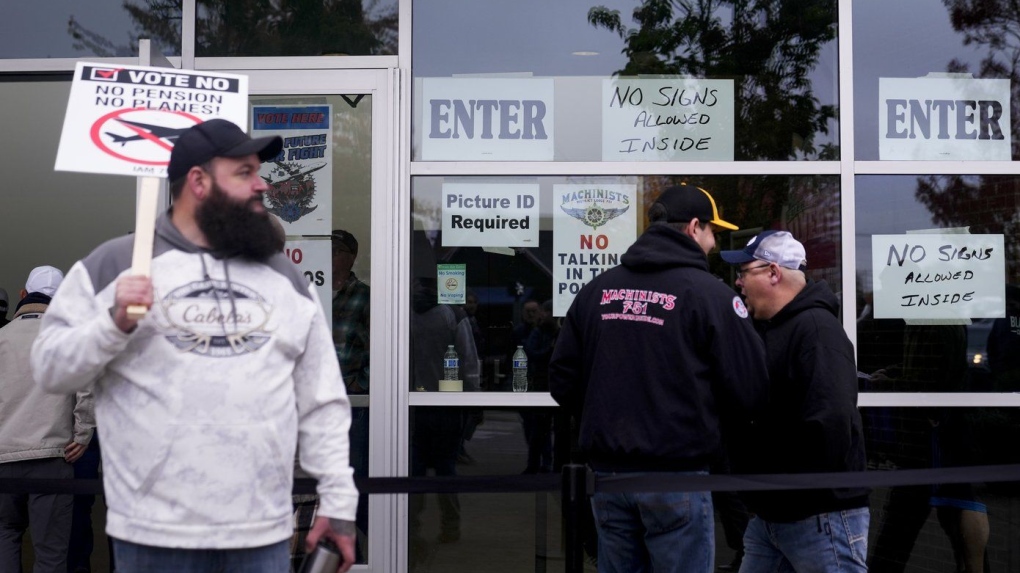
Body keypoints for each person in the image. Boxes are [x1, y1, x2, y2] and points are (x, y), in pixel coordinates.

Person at [31, 118, 358, 573]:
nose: (262, 184)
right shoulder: (114, 265)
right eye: (244, 172)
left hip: (262, 533)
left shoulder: (282, 277)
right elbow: (50, 369)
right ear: (199, 182)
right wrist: (112, 324)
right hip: (153, 536)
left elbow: (322, 399)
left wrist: (339, 502)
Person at [550, 183, 770, 573]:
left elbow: (563, 380)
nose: (714, 245)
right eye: (712, 233)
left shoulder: (595, 292)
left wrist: (607, 420)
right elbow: (749, 390)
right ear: (693, 227)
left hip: (608, 480)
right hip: (678, 476)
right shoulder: (711, 297)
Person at [720, 230, 870, 573]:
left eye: (744, 272)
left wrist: (775, 481)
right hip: (773, 513)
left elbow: (830, 423)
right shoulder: (771, 329)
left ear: (774, 273)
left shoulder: (817, 331)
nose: (739, 283)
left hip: (819, 517)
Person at [0, 265, 94, 573]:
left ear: (23, 295)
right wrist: (82, 436)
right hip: (53, 458)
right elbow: (86, 389)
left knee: (6, 537)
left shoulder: (1, 337)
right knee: (51, 551)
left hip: (2, 458)